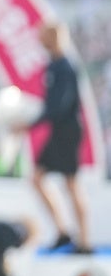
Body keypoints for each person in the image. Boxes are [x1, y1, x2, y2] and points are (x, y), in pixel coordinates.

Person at [21, 21, 88, 253]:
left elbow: (58, 106)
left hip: (67, 131)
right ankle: (62, 231)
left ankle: (84, 240)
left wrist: (30, 121)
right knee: (38, 178)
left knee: (71, 183)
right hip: (59, 131)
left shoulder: (64, 67)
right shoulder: (54, 66)